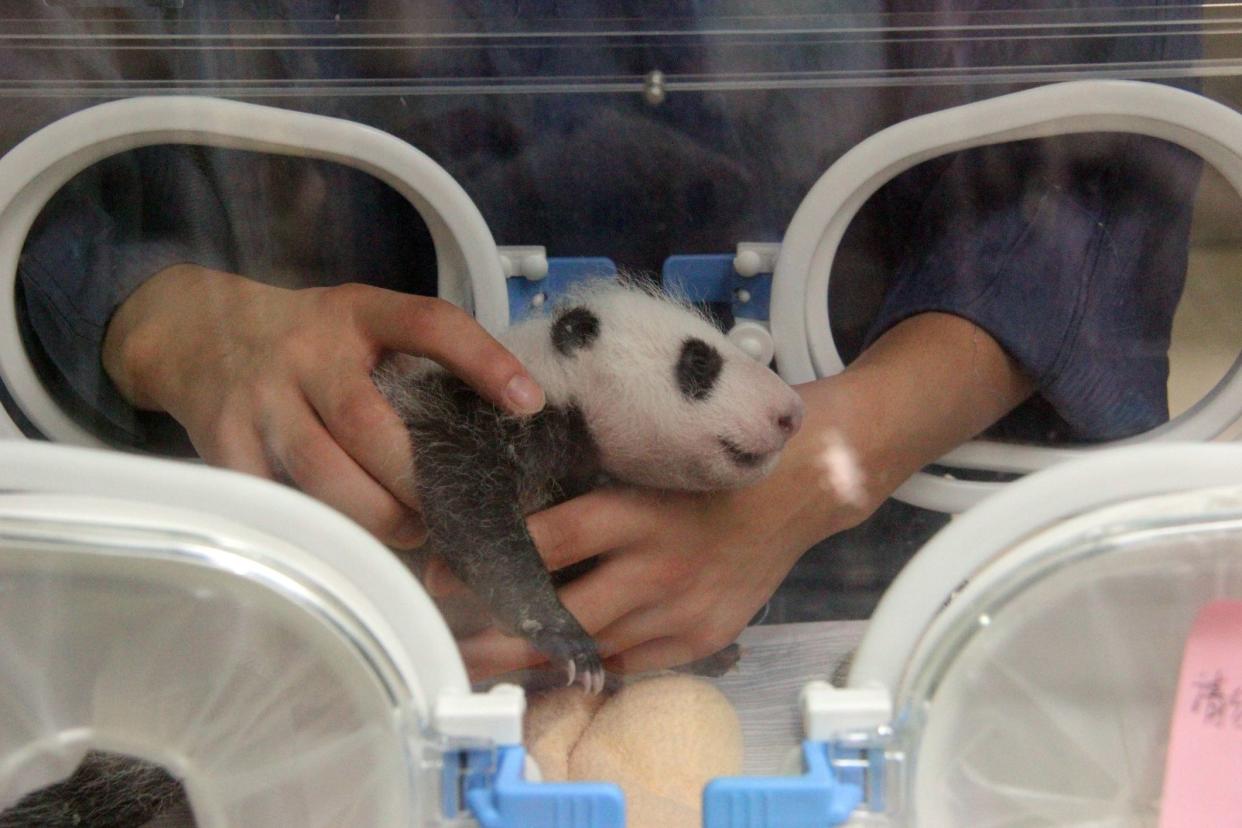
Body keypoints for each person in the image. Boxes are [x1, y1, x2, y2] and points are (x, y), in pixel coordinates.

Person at [14, 1, 1202, 679]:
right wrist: (167, 314)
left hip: (890, 565)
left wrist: (840, 458)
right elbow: (52, 98)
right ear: (573, 343)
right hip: (254, 565)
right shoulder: (512, 419)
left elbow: (1095, 143)